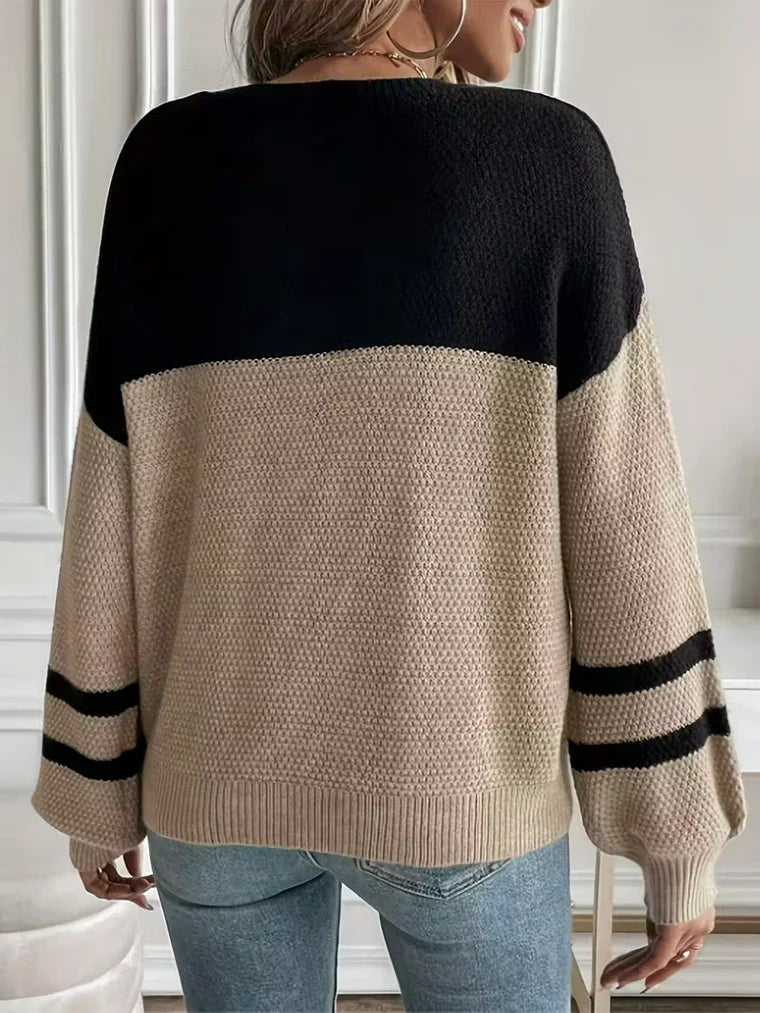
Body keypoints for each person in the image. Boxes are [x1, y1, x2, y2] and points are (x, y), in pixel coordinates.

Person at [29, 0, 747, 1010]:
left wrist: (94, 787)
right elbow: (625, 517)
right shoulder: (545, 160)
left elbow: (109, 489)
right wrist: (676, 841)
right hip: (459, 795)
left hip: (209, 795)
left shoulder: (166, 164)